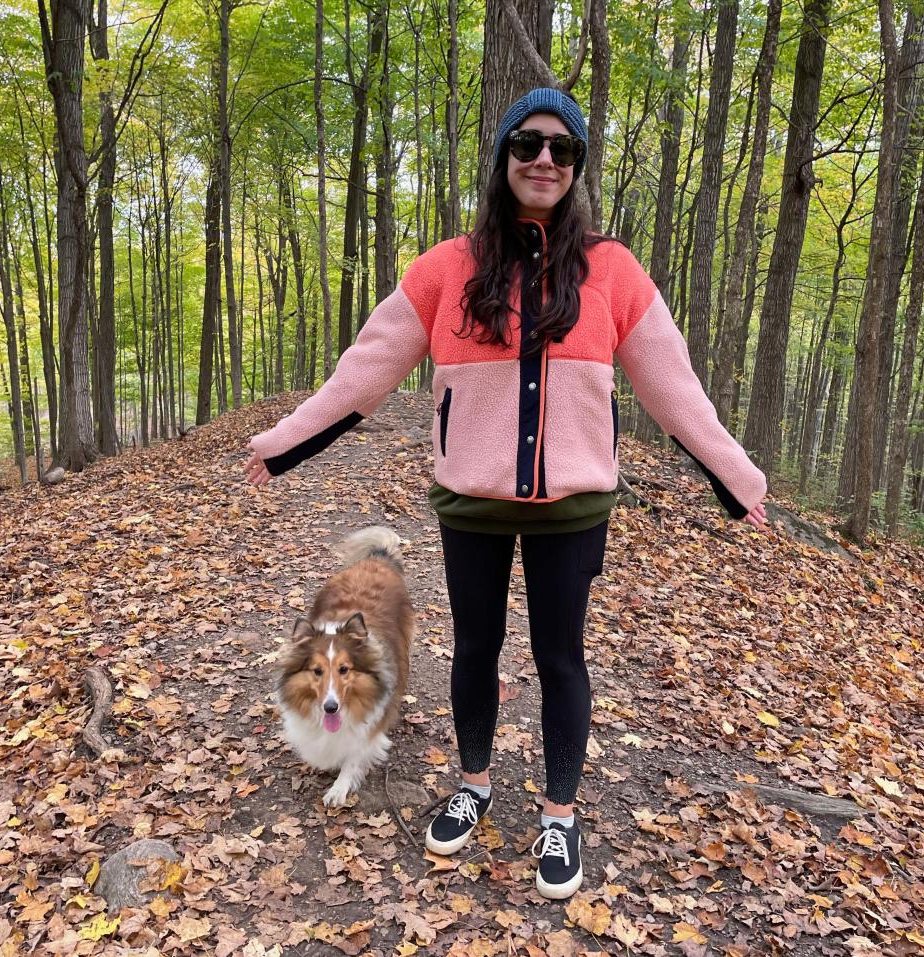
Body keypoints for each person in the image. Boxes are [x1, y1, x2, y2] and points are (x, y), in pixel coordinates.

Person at [244, 87, 767, 900]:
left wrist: (734, 474)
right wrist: (283, 443)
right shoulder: (446, 269)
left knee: (562, 659)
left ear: (579, 166)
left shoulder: (614, 272)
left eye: (563, 149)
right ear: (503, 158)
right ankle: (475, 783)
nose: (545, 160)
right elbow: (364, 372)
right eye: (527, 144)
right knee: (476, 651)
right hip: (473, 508)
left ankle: (561, 815)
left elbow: (676, 390)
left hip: (573, 512)